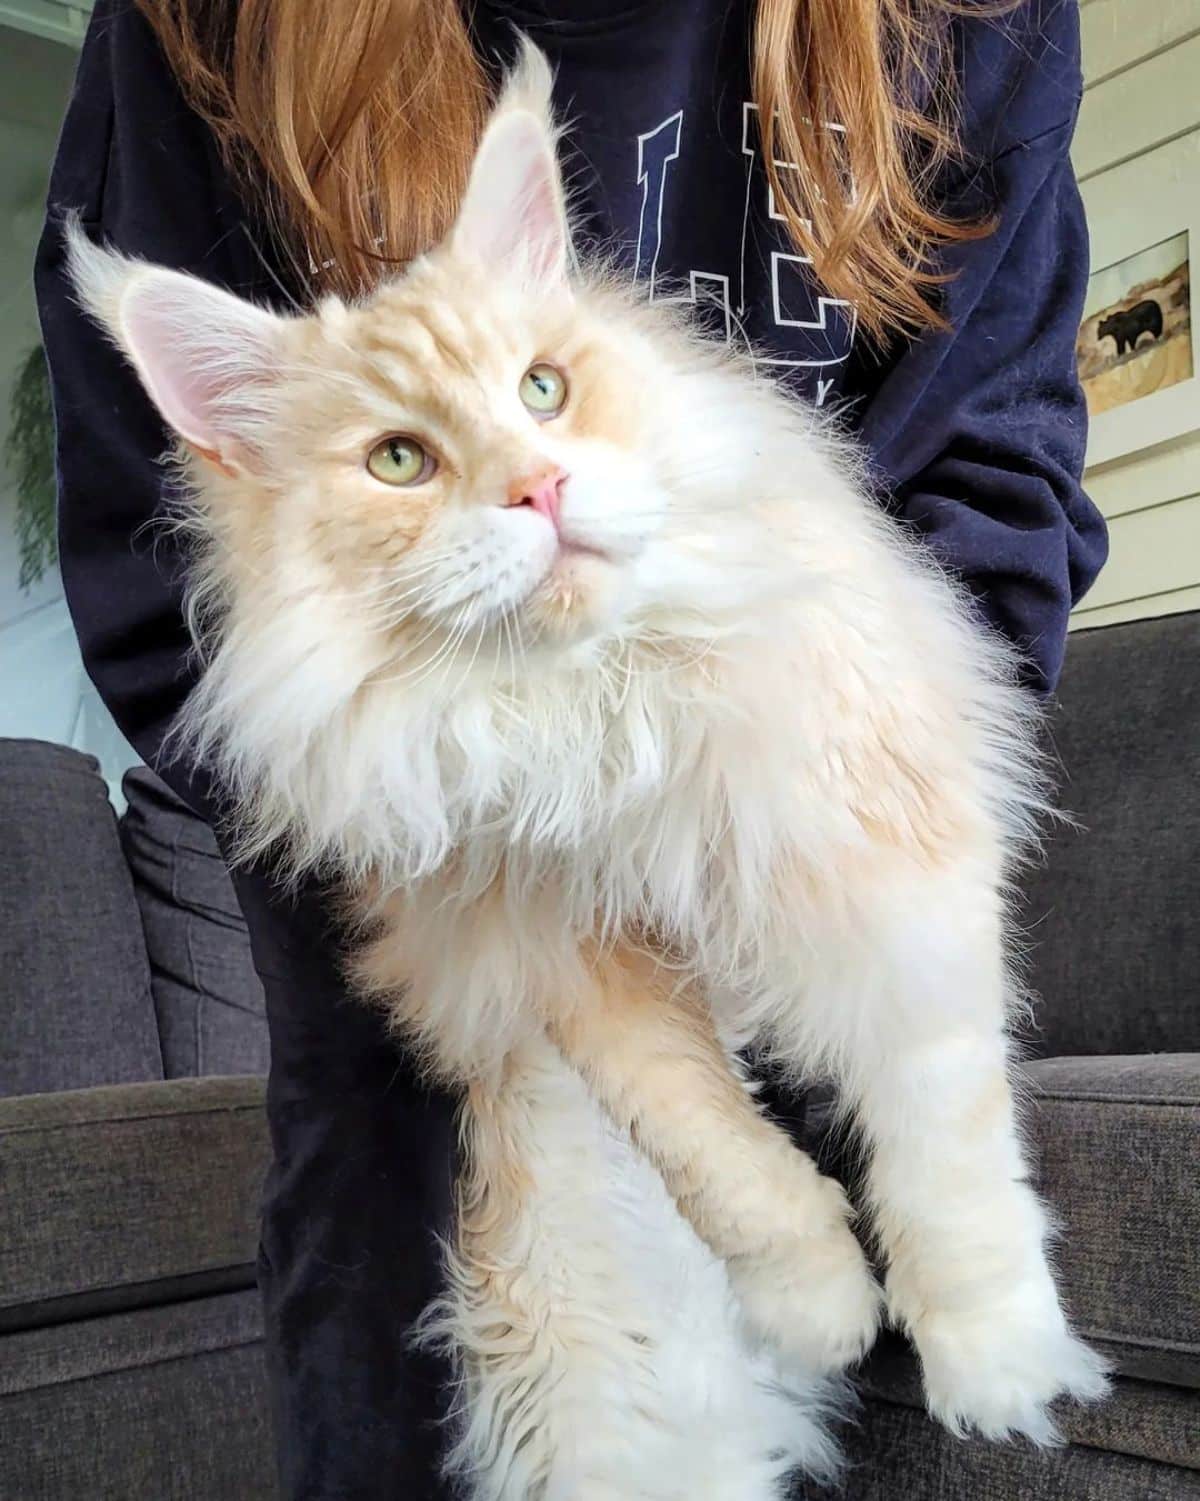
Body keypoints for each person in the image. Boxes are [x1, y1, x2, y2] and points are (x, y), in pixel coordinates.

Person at [36, 1, 1107, 1495]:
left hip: (831, 863)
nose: (525, 486)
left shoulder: (965, 21)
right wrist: (487, 861)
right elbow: (167, 607)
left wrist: (832, 769)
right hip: (439, 1056)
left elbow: (999, 463)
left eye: (536, 399)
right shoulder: (203, 26)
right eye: (407, 455)